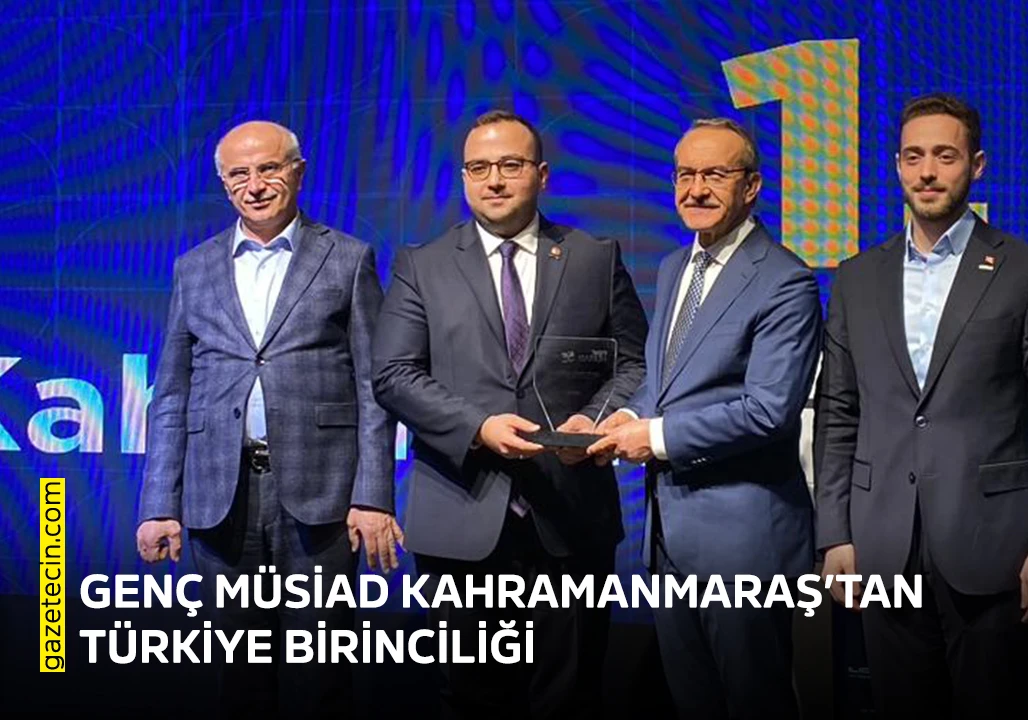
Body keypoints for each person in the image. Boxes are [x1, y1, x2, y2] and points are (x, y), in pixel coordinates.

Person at [813, 92, 1028, 718]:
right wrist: (834, 533)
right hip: (882, 548)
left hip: (993, 550)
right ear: (896, 166)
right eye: (913, 157)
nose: (927, 172)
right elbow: (837, 410)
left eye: (945, 156)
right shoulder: (856, 277)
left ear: (977, 165)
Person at [371, 109, 647, 720]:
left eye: (510, 165)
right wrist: (476, 427)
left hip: (571, 518)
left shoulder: (594, 258)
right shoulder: (422, 264)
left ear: (542, 175)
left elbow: (634, 363)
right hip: (461, 515)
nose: (493, 179)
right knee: (473, 699)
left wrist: (598, 421)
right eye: (478, 168)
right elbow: (393, 374)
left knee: (570, 699)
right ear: (463, 178)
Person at [135, 120, 399, 716]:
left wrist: (373, 496)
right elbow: (171, 393)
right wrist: (158, 505)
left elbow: (373, 387)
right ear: (224, 184)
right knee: (238, 676)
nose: (254, 186)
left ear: (297, 173)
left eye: (268, 169)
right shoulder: (193, 268)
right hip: (219, 496)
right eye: (239, 174)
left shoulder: (348, 258)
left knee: (321, 673)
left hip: (322, 495)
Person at [589, 117, 822, 720]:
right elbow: (666, 384)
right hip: (670, 536)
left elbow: (769, 410)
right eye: (684, 175)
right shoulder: (675, 267)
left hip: (745, 544)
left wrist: (654, 437)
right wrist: (620, 419)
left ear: (752, 186)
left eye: (714, 174)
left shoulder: (786, 281)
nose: (695, 189)